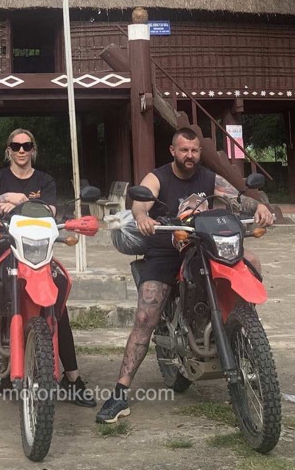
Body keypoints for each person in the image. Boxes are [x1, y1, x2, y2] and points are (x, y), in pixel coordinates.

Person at [96, 127, 274, 424]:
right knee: (145, 315)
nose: (189, 156)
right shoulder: (159, 177)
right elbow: (141, 202)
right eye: (184, 150)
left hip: (203, 245)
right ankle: (120, 392)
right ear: (173, 151)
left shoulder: (207, 177)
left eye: (194, 151)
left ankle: (244, 336)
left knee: (251, 261)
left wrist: (260, 207)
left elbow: (236, 196)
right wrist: (142, 218)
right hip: (166, 248)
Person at [0, 128, 94, 407]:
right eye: (16, 145)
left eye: (27, 145)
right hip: (4, 243)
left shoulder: (45, 180)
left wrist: (22, 201)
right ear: (9, 149)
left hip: (39, 248)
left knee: (58, 303)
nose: (22, 150)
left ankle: (72, 379)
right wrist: (4, 197)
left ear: (33, 149)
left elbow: (52, 210)